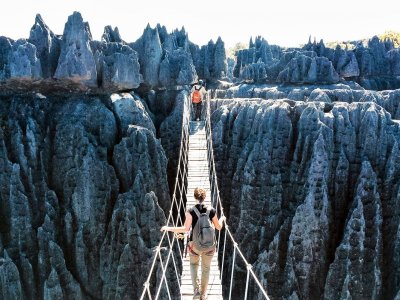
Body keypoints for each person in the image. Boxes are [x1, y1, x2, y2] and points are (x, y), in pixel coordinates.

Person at [161, 187, 226, 300]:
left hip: (194, 246)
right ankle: (203, 294)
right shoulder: (211, 210)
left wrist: (168, 228)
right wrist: (222, 218)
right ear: (205, 197)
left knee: (193, 265)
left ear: (195, 198)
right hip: (209, 246)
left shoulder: (190, 211)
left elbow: (185, 229)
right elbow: (218, 227)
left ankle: (196, 290)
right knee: (206, 268)